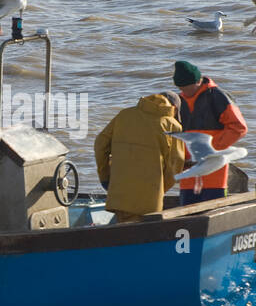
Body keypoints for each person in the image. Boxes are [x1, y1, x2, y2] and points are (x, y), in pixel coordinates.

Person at [93, 93, 188, 222]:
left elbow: (100, 145)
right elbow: (175, 166)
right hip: (149, 201)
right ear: (175, 108)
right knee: (141, 233)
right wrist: (160, 189)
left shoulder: (124, 115)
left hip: (119, 194)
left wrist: (105, 177)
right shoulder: (173, 126)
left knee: (121, 230)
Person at [172, 60, 247, 205]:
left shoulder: (217, 97)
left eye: (187, 87)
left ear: (198, 80)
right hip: (187, 169)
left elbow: (239, 127)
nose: (184, 92)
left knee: (214, 211)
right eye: (181, 88)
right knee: (187, 215)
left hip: (214, 169)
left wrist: (213, 150)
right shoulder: (179, 101)